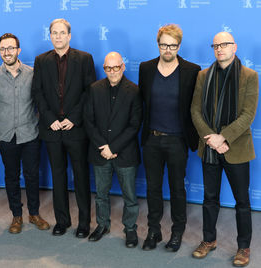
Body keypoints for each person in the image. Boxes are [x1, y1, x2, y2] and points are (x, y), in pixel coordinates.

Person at [191, 32, 258, 267]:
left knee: (242, 201)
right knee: (209, 198)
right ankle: (209, 240)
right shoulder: (203, 76)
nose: (220, 49)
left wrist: (223, 137)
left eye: (225, 44)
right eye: (216, 45)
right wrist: (212, 139)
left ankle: (244, 247)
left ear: (234, 47)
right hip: (209, 147)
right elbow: (195, 111)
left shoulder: (250, 76)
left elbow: (248, 114)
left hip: (236, 148)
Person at [138, 24, 200, 251]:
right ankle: (153, 231)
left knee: (177, 189)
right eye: (163, 45)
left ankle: (176, 233)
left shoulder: (192, 70)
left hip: (177, 141)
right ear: (158, 44)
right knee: (153, 188)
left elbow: (195, 107)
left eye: (172, 46)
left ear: (179, 46)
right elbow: (142, 103)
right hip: (152, 139)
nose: (167, 49)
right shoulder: (145, 68)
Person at [32, 18, 96, 237]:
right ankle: (62, 221)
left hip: (76, 129)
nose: (58, 36)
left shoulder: (85, 59)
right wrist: (50, 118)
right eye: (54, 33)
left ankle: (84, 223)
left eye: (62, 33)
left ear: (69, 36)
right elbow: (37, 92)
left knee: (80, 176)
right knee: (58, 176)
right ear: (50, 36)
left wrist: (74, 118)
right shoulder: (41, 60)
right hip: (51, 129)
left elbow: (90, 92)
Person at [0, 33, 49, 234]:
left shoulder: (32, 73)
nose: (7, 52)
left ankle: (34, 214)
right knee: (11, 177)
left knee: (31, 176)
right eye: (3, 49)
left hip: (30, 135)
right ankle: (17, 216)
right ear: (0, 52)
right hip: (6, 137)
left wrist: (36, 127)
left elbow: (41, 103)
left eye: (11, 48)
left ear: (18, 50)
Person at [84, 52, 142, 247]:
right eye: (108, 68)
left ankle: (130, 229)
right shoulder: (94, 89)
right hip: (100, 152)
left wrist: (113, 147)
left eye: (116, 67)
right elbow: (89, 121)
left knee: (130, 196)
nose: (112, 72)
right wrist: (104, 147)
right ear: (104, 68)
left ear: (123, 67)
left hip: (124, 153)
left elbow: (134, 125)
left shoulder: (134, 90)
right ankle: (102, 225)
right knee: (101, 194)